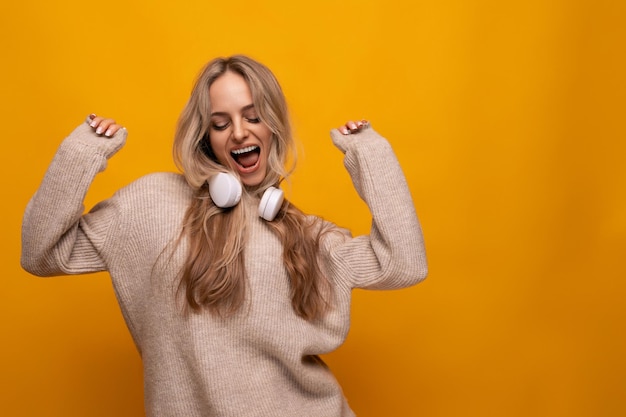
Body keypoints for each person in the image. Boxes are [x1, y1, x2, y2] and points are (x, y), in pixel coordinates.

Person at [21, 55, 428, 417]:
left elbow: (406, 264)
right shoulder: (148, 205)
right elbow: (40, 254)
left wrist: (370, 154)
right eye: (221, 123)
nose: (238, 133)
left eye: (253, 117)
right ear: (205, 135)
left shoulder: (306, 235)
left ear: (273, 127)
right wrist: (82, 153)